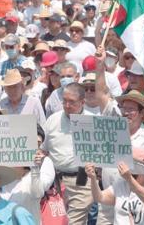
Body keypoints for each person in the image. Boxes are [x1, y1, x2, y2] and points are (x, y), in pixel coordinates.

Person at [41, 83, 93, 224]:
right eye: (64, 101)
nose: (67, 105)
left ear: (83, 102)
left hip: (82, 180)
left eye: (72, 102)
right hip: (56, 182)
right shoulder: (53, 120)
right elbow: (43, 149)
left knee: (74, 222)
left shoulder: (93, 122)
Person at [85, 160, 144, 225]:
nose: (132, 173)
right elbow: (99, 197)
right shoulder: (121, 184)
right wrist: (93, 178)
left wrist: (130, 179)